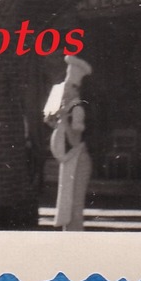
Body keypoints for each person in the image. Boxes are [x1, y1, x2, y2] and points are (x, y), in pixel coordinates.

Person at [43, 55, 93, 232]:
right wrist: (53, 121)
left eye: (66, 90)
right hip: (68, 159)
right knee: (66, 204)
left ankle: (74, 241)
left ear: (74, 90)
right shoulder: (66, 109)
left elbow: (74, 139)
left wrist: (63, 119)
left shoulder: (77, 109)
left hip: (78, 159)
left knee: (74, 205)